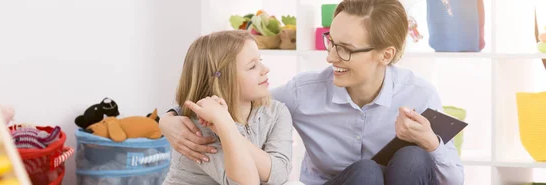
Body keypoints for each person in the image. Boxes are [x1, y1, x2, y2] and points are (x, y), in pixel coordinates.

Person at [160, 0, 464, 184]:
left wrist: (431, 143)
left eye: (345, 50)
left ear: (385, 55)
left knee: (414, 157)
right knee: (366, 173)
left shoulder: (420, 94)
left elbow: (454, 181)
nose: (330, 57)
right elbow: (230, 90)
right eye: (331, 41)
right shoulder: (304, 92)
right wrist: (171, 118)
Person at [162, 30, 295, 185]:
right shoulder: (198, 124)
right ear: (223, 79)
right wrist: (224, 124)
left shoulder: (276, 112)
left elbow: (279, 175)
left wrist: (226, 127)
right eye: (252, 66)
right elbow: (245, 182)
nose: (265, 69)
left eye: (260, 60)